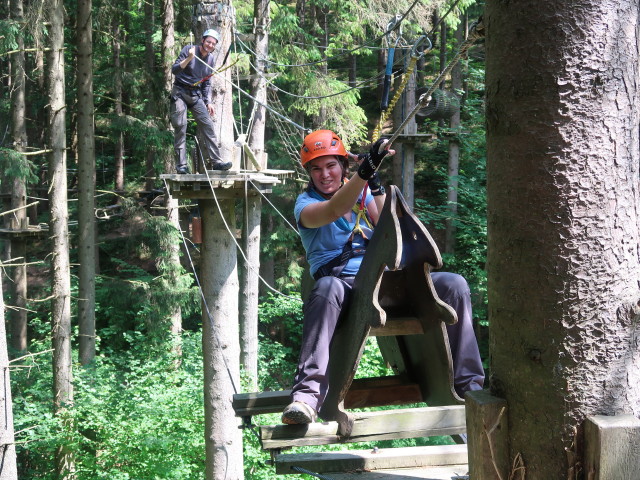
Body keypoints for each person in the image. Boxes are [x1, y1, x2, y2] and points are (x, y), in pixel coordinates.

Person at [281, 129, 485, 425]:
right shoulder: (305, 206)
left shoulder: (362, 193)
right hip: (345, 289)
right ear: (309, 174)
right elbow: (335, 208)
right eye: (316, 168)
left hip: (387, 283)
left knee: (453, 285)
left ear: (343, 167)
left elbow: (388, 229)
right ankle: (306, 397)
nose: (324, 174)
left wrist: (373, 182)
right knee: (325, 288)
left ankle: (470, 387)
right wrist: (364, 173)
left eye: (331, 165)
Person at [170, 29, 231, 174]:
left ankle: (216, 162)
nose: (210, 45)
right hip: (180, 93)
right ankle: (182, 165)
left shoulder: (210, 59)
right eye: (208, 41)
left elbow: (207, 83)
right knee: (180, 126)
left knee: (208, 125)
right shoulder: (189, 50)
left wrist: (208, 101)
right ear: (202, 40)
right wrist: (189, 58)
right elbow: (175, 70)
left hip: (195, 95)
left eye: (213, 43)